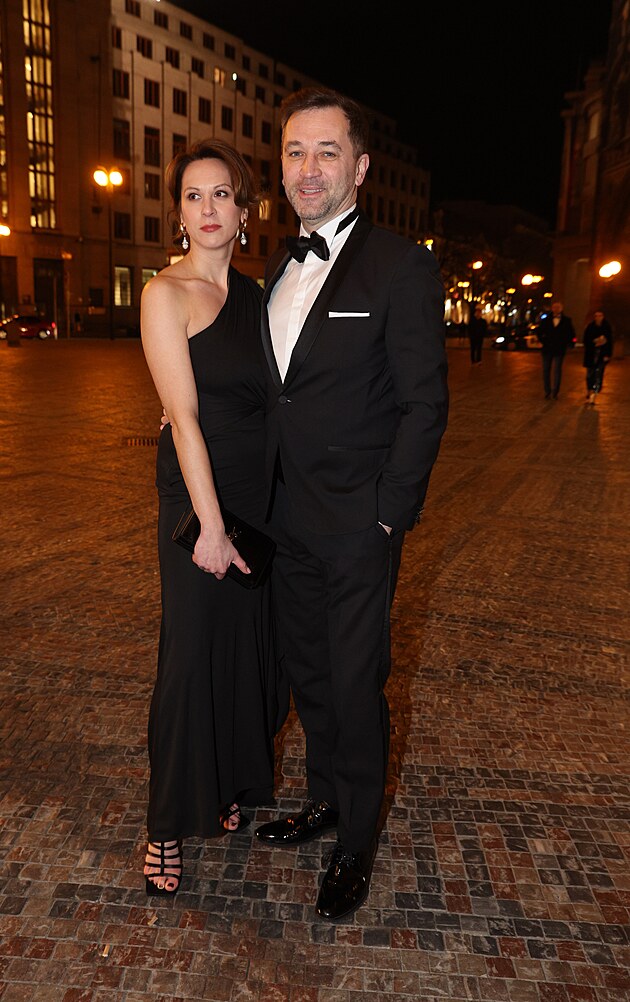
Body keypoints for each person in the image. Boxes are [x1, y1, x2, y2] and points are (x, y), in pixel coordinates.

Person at [254, 87, 449, 921]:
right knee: (309, 672)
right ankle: (327, 799)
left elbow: (424, 403)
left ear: (360, 167)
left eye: (326, 152)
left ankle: (357, 839)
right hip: (285, 519)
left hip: (358, 524)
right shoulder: (276, 265)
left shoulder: (400, 265)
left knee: (355, 679)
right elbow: (275, 390)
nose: (309, 168)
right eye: (295, 152)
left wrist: (387, 514)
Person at [140, 139, 284, 895]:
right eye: (193, 196)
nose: (208, 208)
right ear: (178, 214)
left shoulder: (260, 297)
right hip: (199, 503)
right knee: (190, 658)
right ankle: (165, 823)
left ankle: (225, 782)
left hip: (256, 500)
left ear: (244, 210)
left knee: (243, 652)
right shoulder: (165, 294)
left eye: (221, 194)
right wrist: (213, 528)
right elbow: (184, 419)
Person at [536, 301, 575, 399]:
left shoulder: (567, 320)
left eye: (558, 307)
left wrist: (570, 343)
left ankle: (555, 391)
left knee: (557, 370)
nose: (556, 309)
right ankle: (547, 390)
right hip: (547, 348)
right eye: (554, 307)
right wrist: (542, 341)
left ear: (561, 308)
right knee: (546, 370)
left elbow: (571, 333)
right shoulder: (546, 320)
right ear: (552, 308)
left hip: (559, 348)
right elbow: (539, 331)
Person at [583, 310, 613, 404]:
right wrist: (594, 342)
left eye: (600, 315)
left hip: (602, 355)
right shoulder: (590, 327)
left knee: (598, 375)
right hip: (591, 354)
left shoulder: (607, 327)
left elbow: (610, 342)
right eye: (596, 316)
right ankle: (589, 391)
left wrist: (607, 354)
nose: (598, 317)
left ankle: (594, 393)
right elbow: (586, 340)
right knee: (589, 375)